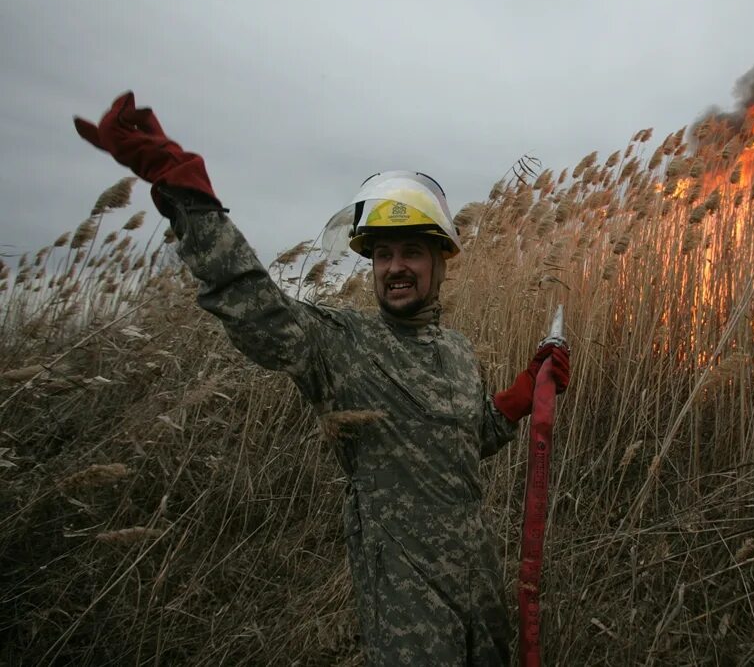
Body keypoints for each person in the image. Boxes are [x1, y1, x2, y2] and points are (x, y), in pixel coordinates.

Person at [74, 92, 570, 666]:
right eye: (383, 255)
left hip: (478, 579)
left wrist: (520, 394)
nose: (396, 267)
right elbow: (253, 306)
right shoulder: (341, 345)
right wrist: (190, 196)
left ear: (440, 263)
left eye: (411, 252)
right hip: (407, 598)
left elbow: (467, 442)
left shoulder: (456, 350)